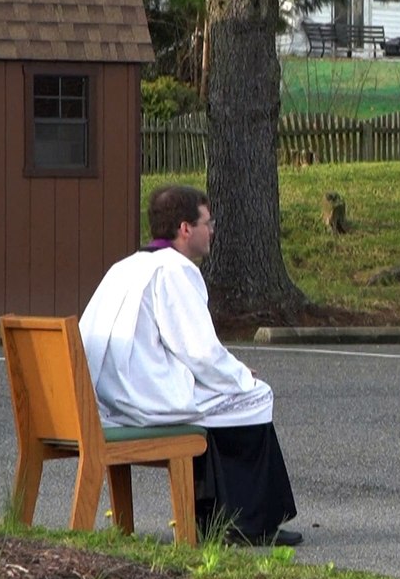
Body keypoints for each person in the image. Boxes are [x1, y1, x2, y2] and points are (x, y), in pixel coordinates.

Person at [79, 185, 301, 546]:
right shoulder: (175, 270)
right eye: (207, 222)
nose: (212, 230)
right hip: (144, 400)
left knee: (223, 394)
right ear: (185, 228)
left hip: (109, 398)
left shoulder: (125, 266)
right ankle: (246, 523)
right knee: (256, 395)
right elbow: (199, 353)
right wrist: (240, 375)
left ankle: (214, 514)